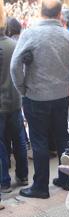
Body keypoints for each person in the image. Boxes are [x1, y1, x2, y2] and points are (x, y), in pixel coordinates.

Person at [10, 0, 69, 198]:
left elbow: (15, 65)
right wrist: (64, 84)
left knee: (39, 140)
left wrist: (22, 87)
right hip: (60, 96)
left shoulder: (30, 34)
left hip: (35, 96)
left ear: (41, 12)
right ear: (59, 14)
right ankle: (66, 178)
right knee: (62, 138)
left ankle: (40, 186)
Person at [0, 19, 28, 193]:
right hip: (16, 101)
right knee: (19, 140)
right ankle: (23, 176)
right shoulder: (15, 44)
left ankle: (4, 181)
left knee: (1, 144)